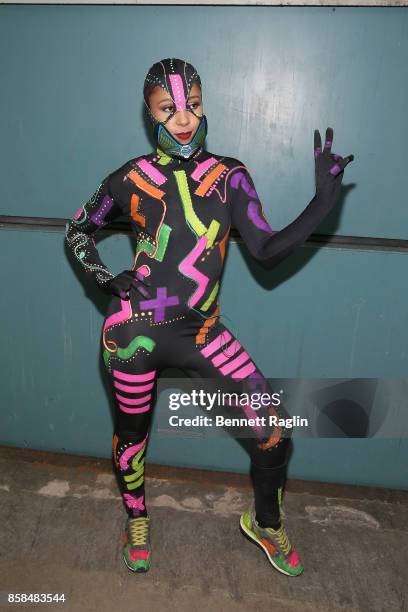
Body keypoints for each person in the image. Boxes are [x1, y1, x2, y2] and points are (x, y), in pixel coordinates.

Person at [65, 57, 354, 576]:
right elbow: (78, 230)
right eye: (168, 107)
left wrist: (321, 204)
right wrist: (106, 278)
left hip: (200, 330)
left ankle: (265, 523)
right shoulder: (131, 177)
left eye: (193, 105)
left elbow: (265, 250)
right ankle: (137, 519)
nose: (183, 118)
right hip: (134, 332)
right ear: (149, 113)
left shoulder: (229, 176)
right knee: (132, 439)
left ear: (204, 108)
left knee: (272, 429)